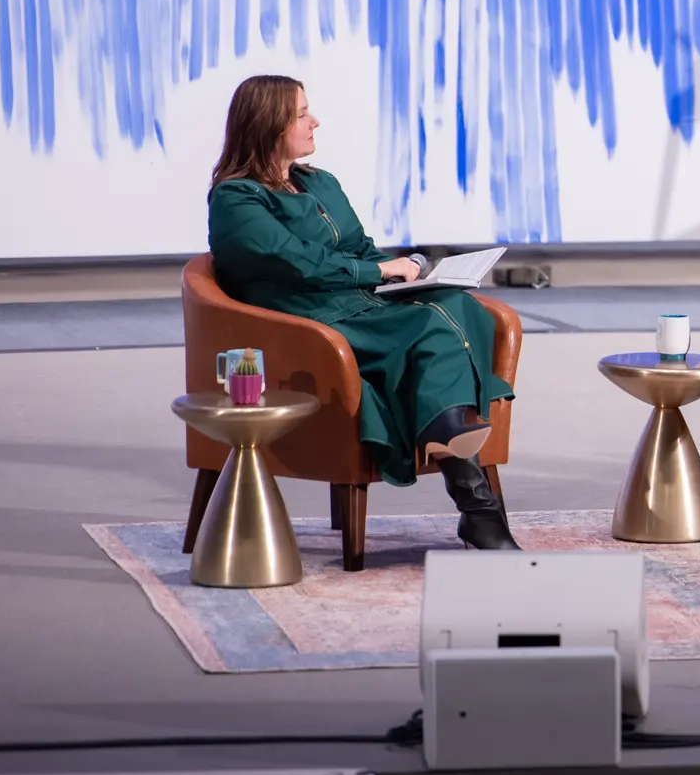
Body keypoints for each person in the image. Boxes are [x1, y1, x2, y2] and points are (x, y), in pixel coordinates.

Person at [205, 75, 519, 551]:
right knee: (431, 324)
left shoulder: (320, 183)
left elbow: (360, 249)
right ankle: (472, 490)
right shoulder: (236, 199)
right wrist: (376, 269)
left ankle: (456, 450)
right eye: (301, 115)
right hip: (308, 323)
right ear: (268, 125)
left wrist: (405, 269)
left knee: (457, 304)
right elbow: (295, 260)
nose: (315, 121)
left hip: (362, 303)